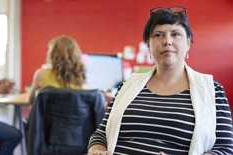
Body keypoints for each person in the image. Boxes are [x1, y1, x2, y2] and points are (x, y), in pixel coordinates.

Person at [88, 6, 233, 155]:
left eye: (175, 34)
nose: (167, 41)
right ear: (149, 45)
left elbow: (224, 149)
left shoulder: (212, 91)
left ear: (188, 43)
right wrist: (96, 149)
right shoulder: (127, 85)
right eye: (158, 35)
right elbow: (100, 134)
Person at [26, 35, 105, 154]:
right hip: (81, 142)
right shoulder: (84, 77)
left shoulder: (41, 75)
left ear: (52, 54)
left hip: (50, 140)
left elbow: (31, 101)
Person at [29, 35, 86, 103]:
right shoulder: (81, 76)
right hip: (76, 113)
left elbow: (31, 101)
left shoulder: (40, 74)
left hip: (49, 113)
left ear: (52, 54)